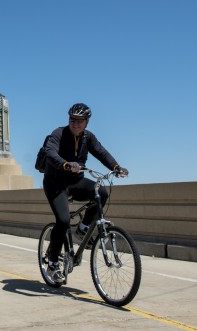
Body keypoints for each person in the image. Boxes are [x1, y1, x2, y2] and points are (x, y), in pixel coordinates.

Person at [42, 103, 129, 284]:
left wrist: (116, 168)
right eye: (73, 120)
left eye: (80, 121)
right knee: (64, 221)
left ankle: (83, 229)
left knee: (101, 193)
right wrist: (66, 164)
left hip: (75, 182)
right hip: (55, 184)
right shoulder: (58, 134)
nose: (75, 124)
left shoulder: (88, 138)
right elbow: (50, 153)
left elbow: (101, 152)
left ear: (87, 122)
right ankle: (52, 265)